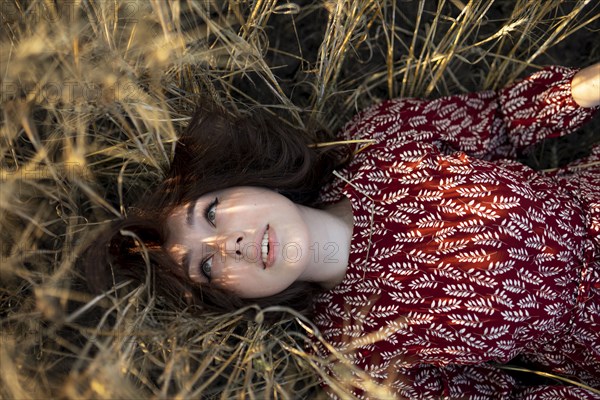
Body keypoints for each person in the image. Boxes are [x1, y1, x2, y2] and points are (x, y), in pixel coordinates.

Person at [85, 63, 600, 398]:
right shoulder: (354, 361)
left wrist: (583, 90)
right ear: (228, 300)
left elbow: (501, 122)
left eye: (213, 214)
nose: (230, 243)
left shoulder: (374, 140)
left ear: (244, 181)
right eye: (207, 266)